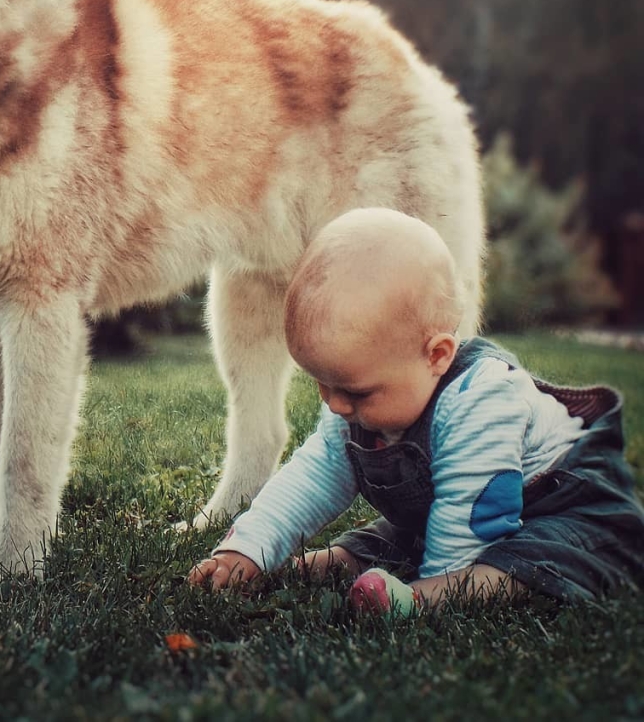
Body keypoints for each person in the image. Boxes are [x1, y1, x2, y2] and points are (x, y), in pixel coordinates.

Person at [188, 209, 644, 614]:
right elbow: (312, 477)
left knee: (524, 560)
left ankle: (426, 598)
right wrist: (250, 548)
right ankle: (323, 565)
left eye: (356, 392)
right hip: (446, 511)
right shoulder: (361, 393)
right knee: (392, 536)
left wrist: (435, 577)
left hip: (561, 507)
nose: (335, 404)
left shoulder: (482, 401)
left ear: (437, 355)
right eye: (322, 384)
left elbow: (473, 516)